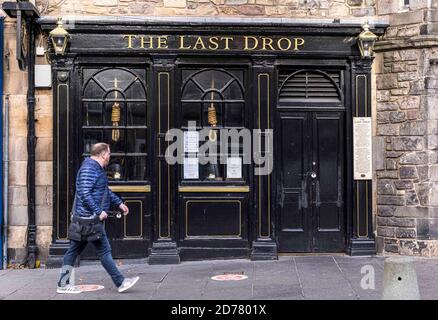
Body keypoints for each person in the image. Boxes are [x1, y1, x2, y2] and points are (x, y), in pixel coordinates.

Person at [57, 143, 139, 294]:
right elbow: (84, 192)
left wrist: (119, 203)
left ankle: (63, 284)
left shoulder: (95, 168)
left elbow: (103, 191)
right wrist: (98, 211)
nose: (110, 156)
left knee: (73, 251)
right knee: (104, 251)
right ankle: (120, 282)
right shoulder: (89, 168)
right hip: (89, 220)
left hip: (86, 219)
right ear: (103, 155)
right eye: (109, 153)